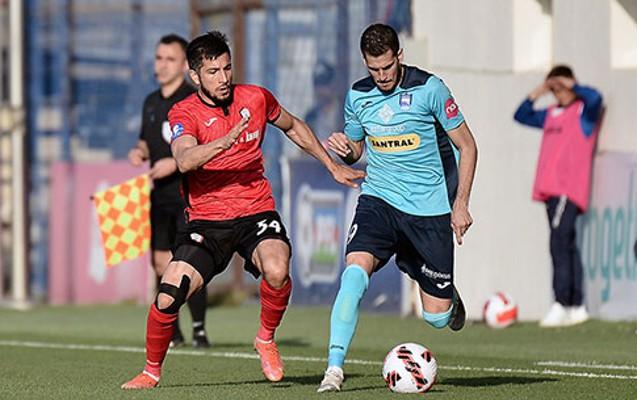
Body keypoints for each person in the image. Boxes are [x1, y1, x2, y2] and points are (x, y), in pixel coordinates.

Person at [121, 30, 364, 390]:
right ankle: (151, 371)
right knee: (169, 293)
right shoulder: (183, 112)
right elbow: (184, 159)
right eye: (213, 72)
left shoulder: (255, 97)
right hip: (207, 221)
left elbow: (293, 126)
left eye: (227, 68)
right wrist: (222, 143)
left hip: (255, 212)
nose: (223, 78)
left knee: (277, 269)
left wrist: (332, 166)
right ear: (195, 76)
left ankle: (265, 339)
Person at [317, 23, 478, 393]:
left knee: (436, 318)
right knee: (353, 274)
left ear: (399, 56)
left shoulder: (430, 89)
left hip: (428, 209)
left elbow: (468, 146)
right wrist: (346, 149)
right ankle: (334, 370)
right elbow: (357, 150)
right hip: (379, 200)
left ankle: (437, 288)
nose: (382, 76)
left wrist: (461, 204)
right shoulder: (358, 95)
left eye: (387, 67)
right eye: (374, 69)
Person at [128, 34, 210, 348]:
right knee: (161, 263)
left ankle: (200, 330)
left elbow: (202, 148)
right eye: (159, 58)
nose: (162, 65)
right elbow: (147, 140)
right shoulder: (151, 102)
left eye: (170, 59)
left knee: (190, 262)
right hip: (159, 195)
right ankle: (173, 331)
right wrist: (140, 151)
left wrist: (173, 164)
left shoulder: (192, 100)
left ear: (185, 65)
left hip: (188, 195)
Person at [513, 65, 602, 328]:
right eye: (555, 88)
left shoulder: (583, 112)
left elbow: (596, 99)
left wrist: (573, 85)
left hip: (568, 189)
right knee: (567, 244)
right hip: (550, 190)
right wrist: (539, 91)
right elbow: (521, 115)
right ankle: (576, 305)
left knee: (558, 242)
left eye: (562, 87)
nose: (559, 92)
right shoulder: (551, 114)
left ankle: (561, 302)